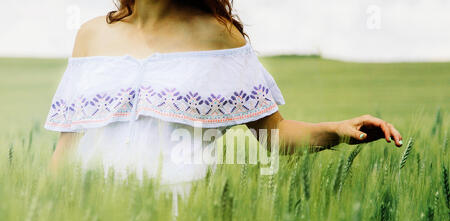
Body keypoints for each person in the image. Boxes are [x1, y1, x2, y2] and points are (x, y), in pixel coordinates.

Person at [45, 0, 403, 206]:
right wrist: (47, 214)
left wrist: (338, 131)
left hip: (179, 219)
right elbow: (68, 146)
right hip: (92, 214)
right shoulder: (91, 35)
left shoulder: (218, 35)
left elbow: (272, 133)